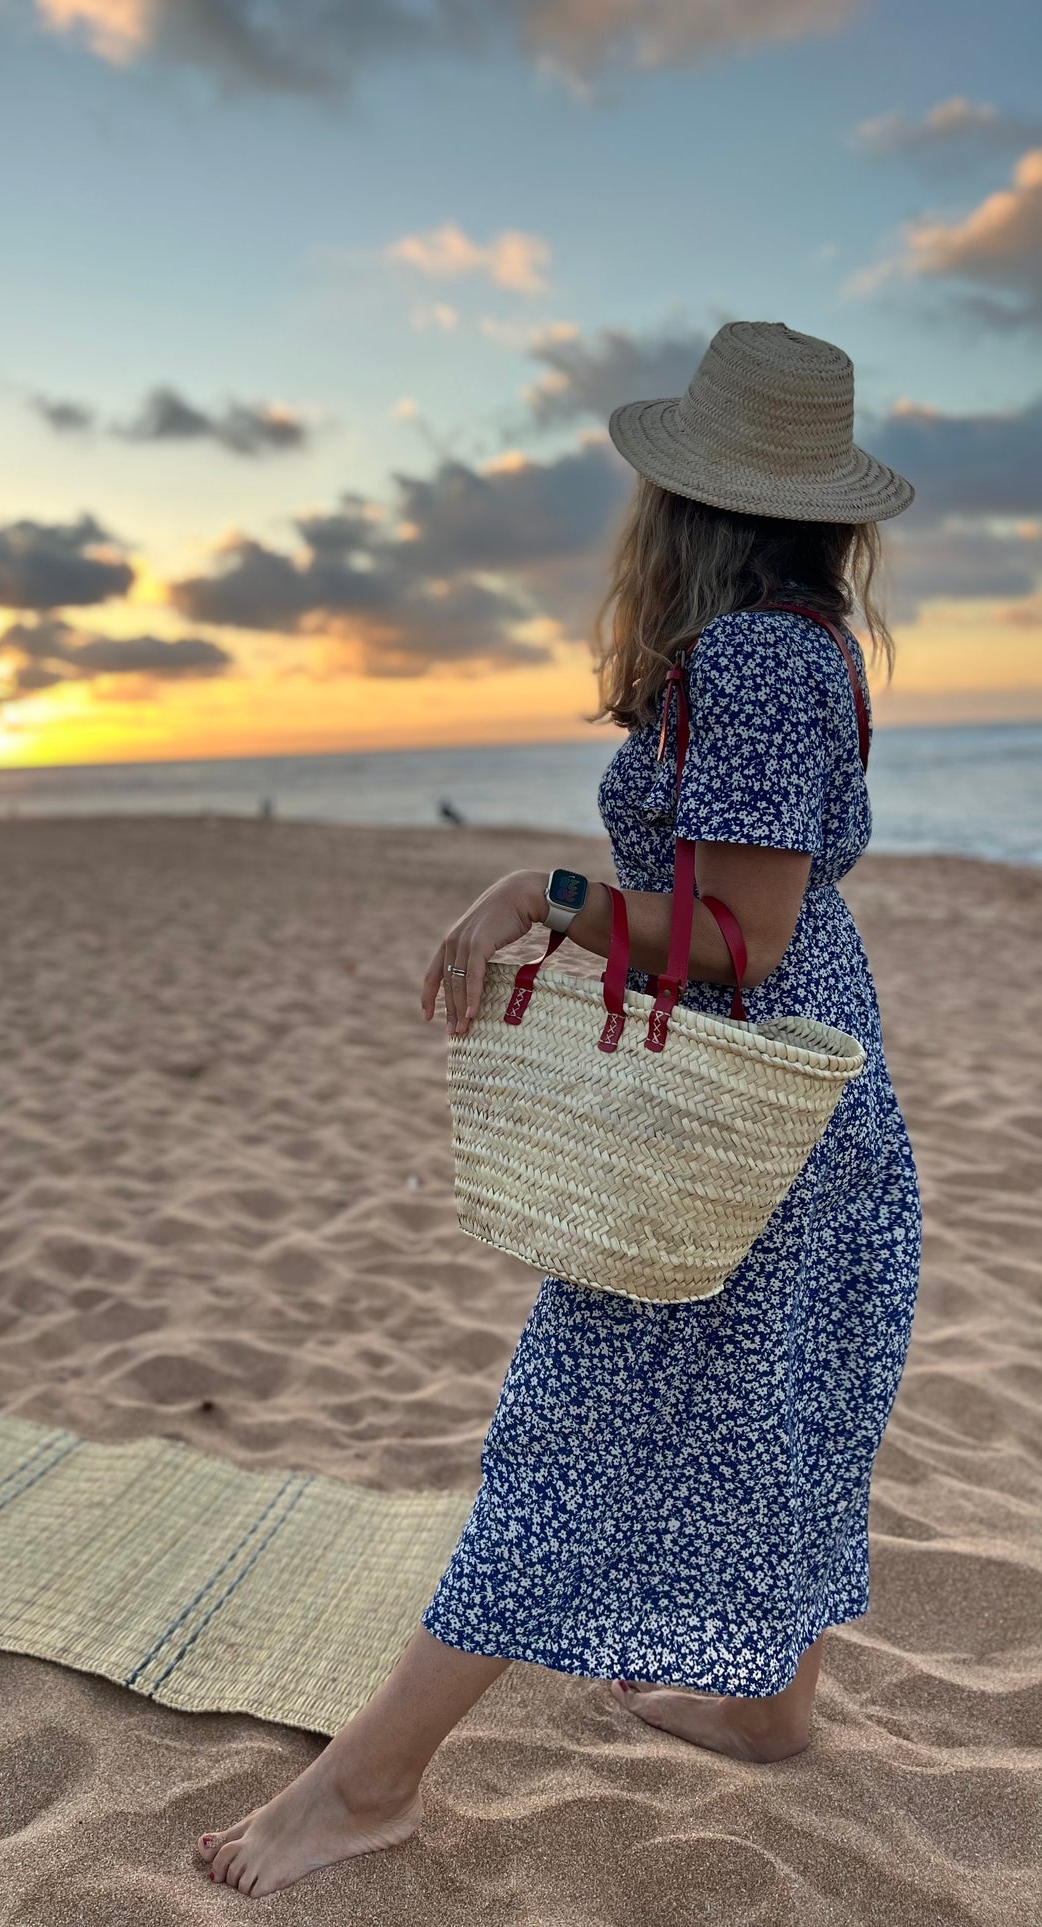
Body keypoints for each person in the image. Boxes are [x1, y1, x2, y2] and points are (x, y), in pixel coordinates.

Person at [197, 320, 923, 1899]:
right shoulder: (803, 641)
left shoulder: (752, 660)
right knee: (796, 1389)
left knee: (575, 1431)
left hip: (745, 1107)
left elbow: (737, 937)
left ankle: (368, 1784)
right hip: (810, 1083)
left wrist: (544, 893)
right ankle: (771, 1704)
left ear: (686, 497)